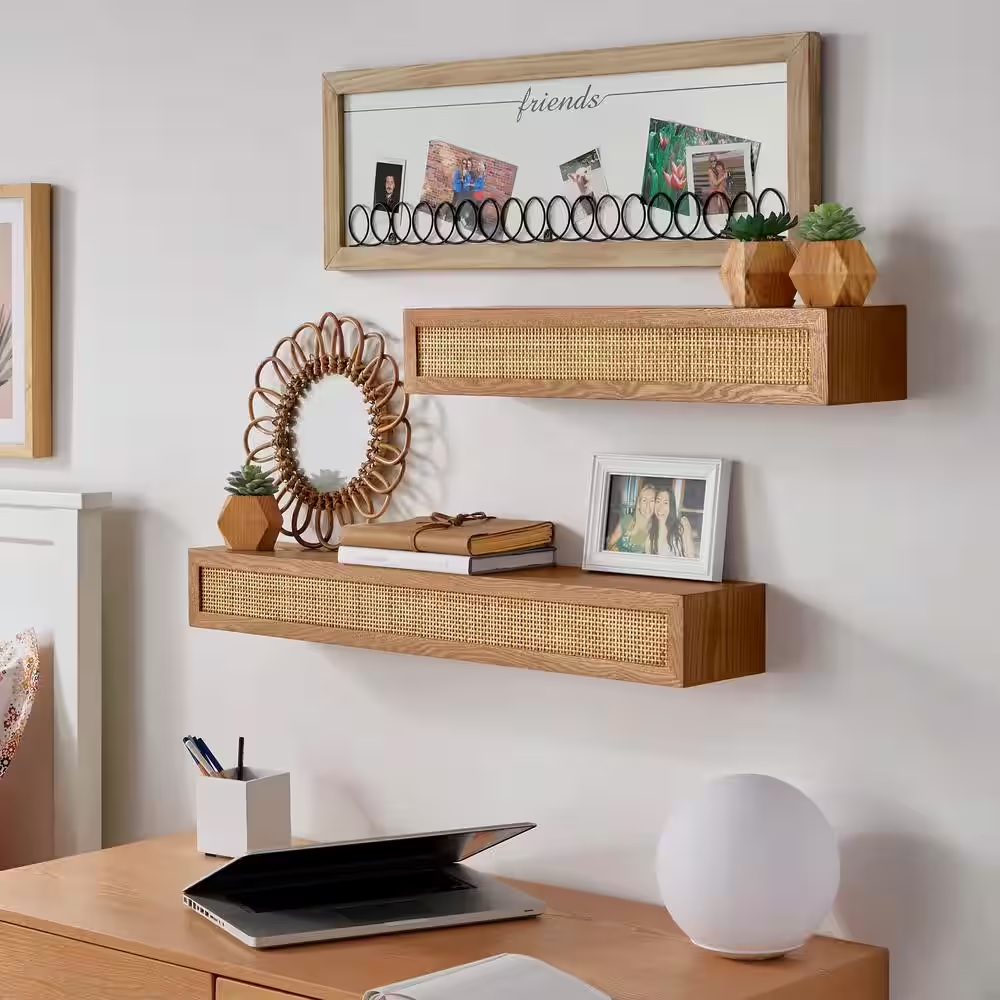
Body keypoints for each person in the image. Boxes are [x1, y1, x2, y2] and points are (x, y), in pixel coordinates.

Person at [606, 482, 656, 553]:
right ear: (639, 504)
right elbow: (610, 543)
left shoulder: (657, 531)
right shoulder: (627, 519)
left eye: (652, 500)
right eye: (644, 500)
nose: (648, 505)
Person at [648, 484, 696, 558]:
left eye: (665, 503)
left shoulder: (682, 526)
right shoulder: (650, 531)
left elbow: (691, 558)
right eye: (658, 501)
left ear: (671, 506)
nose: (661, 507)